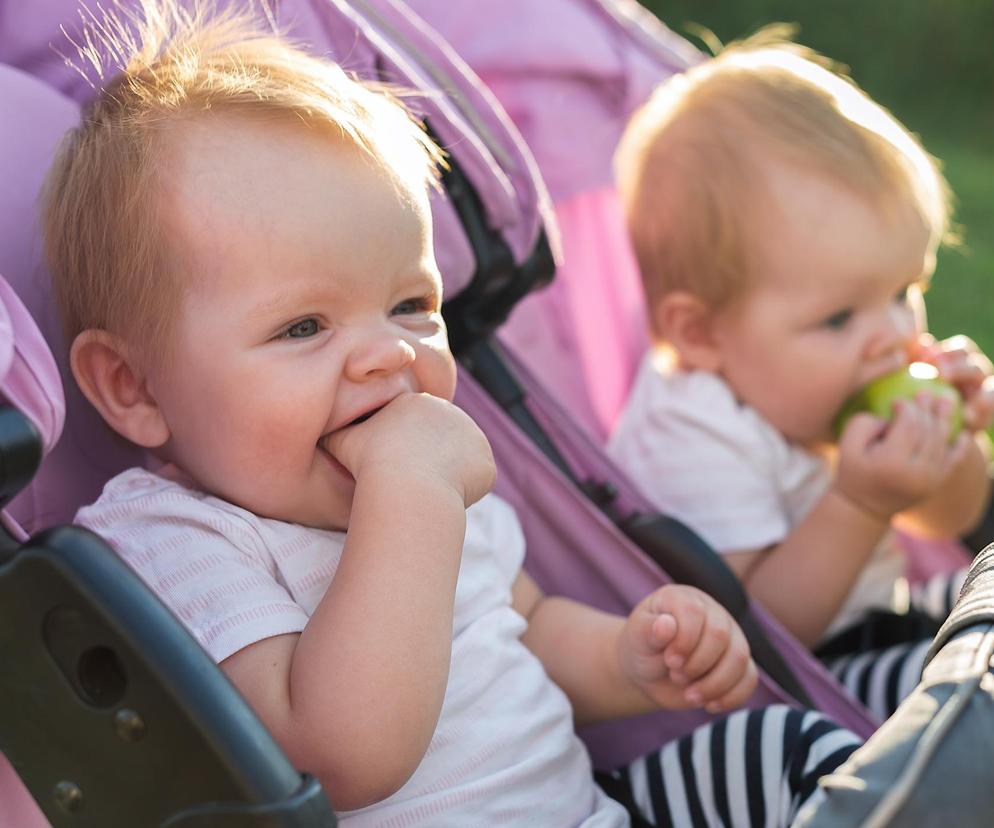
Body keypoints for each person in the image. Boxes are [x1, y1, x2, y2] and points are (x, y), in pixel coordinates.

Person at [40, 4, 861, 826]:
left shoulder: (417, 477)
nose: (389, 356)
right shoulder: (177, 543)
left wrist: (627, 660)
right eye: (303, 327)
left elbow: (525, 628)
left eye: (410, 304)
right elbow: (336, 755)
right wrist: (413, 501)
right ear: (134, 388)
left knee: (797, 755)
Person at [608, 30, 994, 721]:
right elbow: (766, 638)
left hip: (884, 634)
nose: (896, 336)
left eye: (904, 290)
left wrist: (949, 441)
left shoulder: (816, 387)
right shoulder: (693, 431)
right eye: (840, 318)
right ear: (701, 334)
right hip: (799, 695)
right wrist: (859, 505)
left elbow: (956, 518)